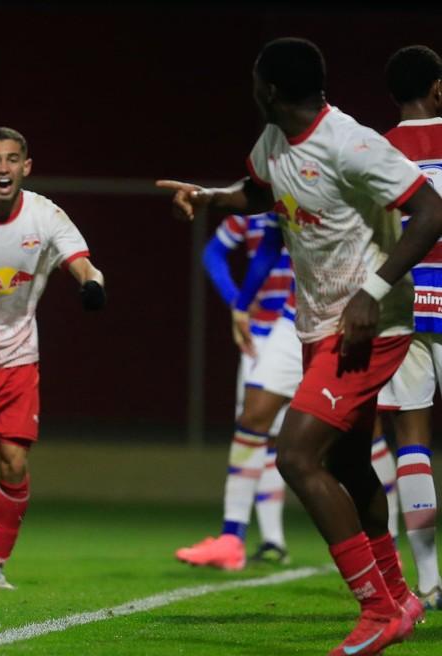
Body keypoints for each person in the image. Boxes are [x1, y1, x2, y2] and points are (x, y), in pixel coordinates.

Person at [157, 37, 442, 655]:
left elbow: (430, 210)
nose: (251, 91)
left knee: (296, 455)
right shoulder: (273, 141)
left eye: (255, 82)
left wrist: (373, 289)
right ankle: (400, 597)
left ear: (272, 90)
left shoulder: (352, 142)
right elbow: (261, 193)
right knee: (345, 464)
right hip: (319, 327)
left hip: (371, 327)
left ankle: (374, 610)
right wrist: (210, 198)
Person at [0, 127, 105, 590]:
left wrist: (91, 284)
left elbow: (81, 259)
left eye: (13, 159)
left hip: (17, 359)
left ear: (26, 167)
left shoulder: (46, 215)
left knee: (14, 462)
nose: (4, 168)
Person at [178, 212, 295, 569]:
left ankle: (390, 549)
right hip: (267, 332)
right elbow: (213, 253)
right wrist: (238, 300)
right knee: (256, 428)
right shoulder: (256, 205)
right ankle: (255, 539)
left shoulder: (324, 183)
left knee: (362, 434)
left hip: (324, 320)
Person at [376, 44, 442, 611]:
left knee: (410, 442)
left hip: (406, 305)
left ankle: (428, 582)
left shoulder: (380, 150)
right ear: (439, 89)